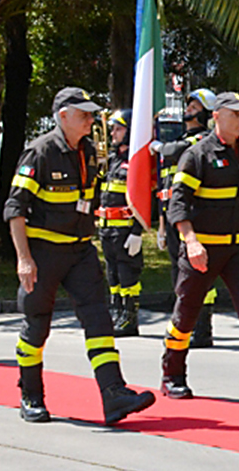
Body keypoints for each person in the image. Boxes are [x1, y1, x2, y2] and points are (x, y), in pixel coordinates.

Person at [3, 87, 155, 425]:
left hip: (80, 250)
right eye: (83, 114)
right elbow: (15, 210)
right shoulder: (39, 152)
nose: (90, 119)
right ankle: (31, 396)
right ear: (63, 117)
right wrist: (24, 259)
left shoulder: (88, 151)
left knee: (99, 320)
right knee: (37, 324)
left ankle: (114, 393)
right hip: (43, 253)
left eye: (90, 113)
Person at [158, 92, 239, 407]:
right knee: (186, 313)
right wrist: (192, 241)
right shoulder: (196, 154)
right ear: (217, 116)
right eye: (236, 114)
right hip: (204, 247)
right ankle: (172, 375)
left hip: (238, 248)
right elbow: (178, 202)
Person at [157, 88, 223, 348]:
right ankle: (184, 324)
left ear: (207, 113)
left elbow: (174, 150)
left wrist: (159, 146)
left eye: (195, 108)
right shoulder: (184, 137)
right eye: (189, 106)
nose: (188, 111)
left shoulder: (202, 140)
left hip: (194, 217)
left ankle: (202, 330)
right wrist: (162, 225)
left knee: (199, 273)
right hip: (175, 215)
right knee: (180, 272)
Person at [99, 109, 145, 336]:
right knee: (113, 275)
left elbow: (143, 199)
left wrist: (137, 232)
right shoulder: (112, 160)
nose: (114, 133)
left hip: (126, 229)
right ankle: (116, 312)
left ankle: (130, 318)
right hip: (107, 228)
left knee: (128, 275)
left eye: (119, 128)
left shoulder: (135, 162)